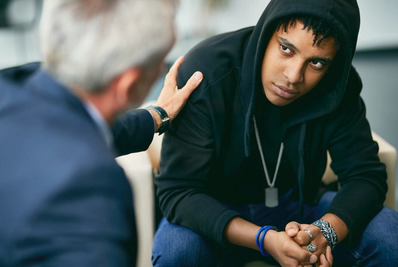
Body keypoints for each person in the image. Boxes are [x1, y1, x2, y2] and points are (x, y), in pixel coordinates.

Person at [152, 0, 398, 266]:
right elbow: (178, 191)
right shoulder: (207, 70)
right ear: (266, 32)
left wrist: (324, 232)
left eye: (316, 62)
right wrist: (264, 239)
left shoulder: (338, 85)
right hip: (213, 213)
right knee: (178, 251)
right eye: (286, 48)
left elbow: (365, 176)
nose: (294, 76)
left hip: (299, 211)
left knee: (387, 236)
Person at [0, 0, 203, 266]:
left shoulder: (12, 87)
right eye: (159, 66)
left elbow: (73, 127)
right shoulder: (90, 187)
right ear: (128, 85)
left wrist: (157, 115)